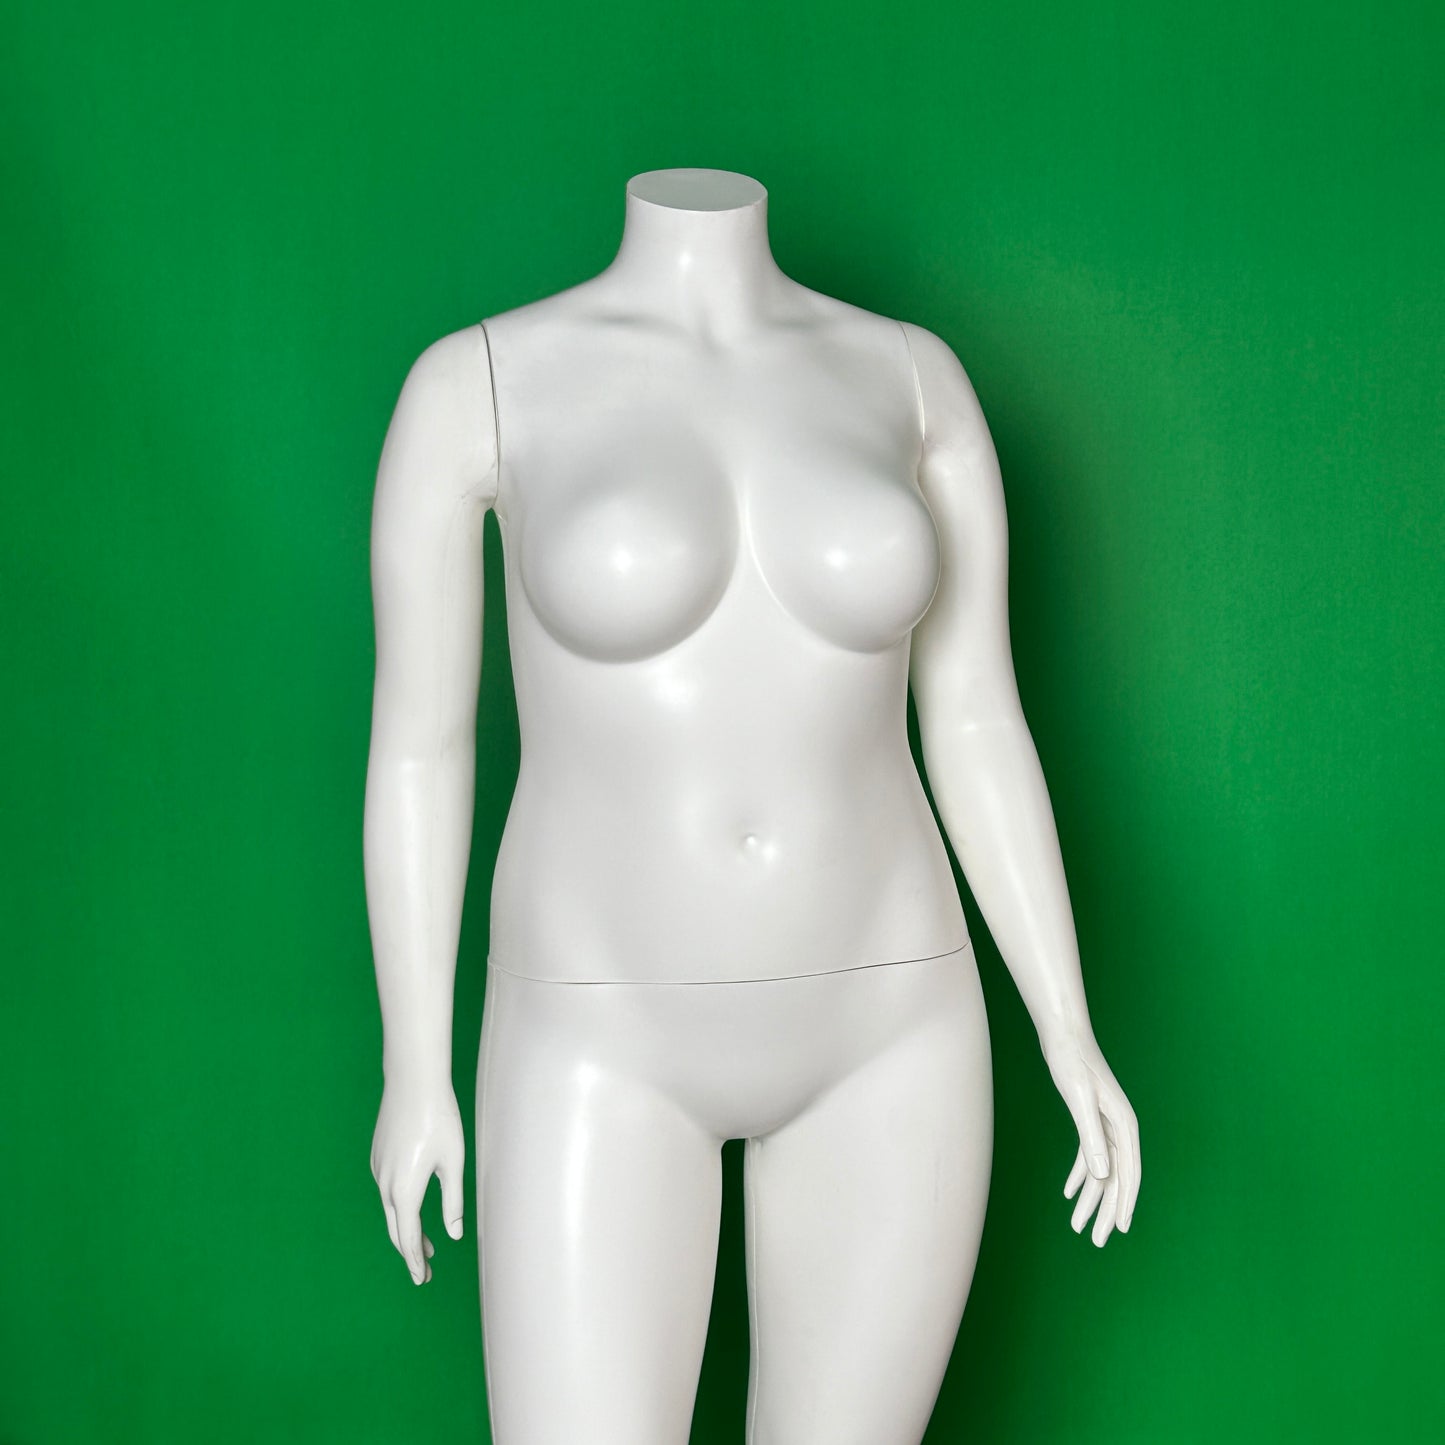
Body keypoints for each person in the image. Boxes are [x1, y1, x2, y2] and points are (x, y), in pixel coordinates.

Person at [364, 167, 1140, 1445]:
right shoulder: (480, 384)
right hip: (597, 1025)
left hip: (891, 1017)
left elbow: (975, 718)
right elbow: (419, 746)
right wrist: (415, 1064)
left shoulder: (910, 379)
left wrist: (1066, 1024)